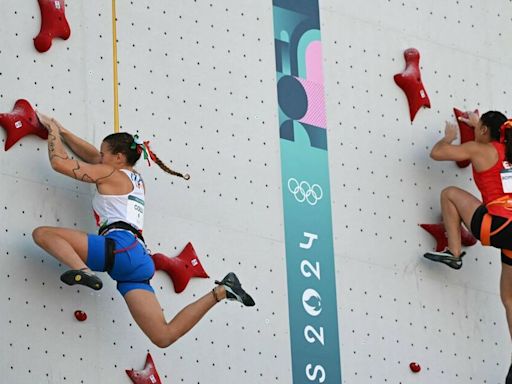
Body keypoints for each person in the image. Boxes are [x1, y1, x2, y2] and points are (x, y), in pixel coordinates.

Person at [31, 111, 255, 348]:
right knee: (163, 336)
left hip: (119, 248)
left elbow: (59, 163)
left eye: (104, 153)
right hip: (137, 259)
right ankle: (221, 292)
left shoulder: (109, 172)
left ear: (118, 157)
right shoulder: (135, 179)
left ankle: (82, 270)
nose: (99, 157)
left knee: (43, 234)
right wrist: (64, 130)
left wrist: (52, 131)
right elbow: (94, 157)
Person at [423, 110, 512, 382]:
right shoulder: (507, 153)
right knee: (509, 299)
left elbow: (437, 154)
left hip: (497, 227)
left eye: (479, 128)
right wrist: (479, 125)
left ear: (484, 131)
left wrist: (448, 137)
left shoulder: (479, 149)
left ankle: (454, 252)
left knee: (449, 194)